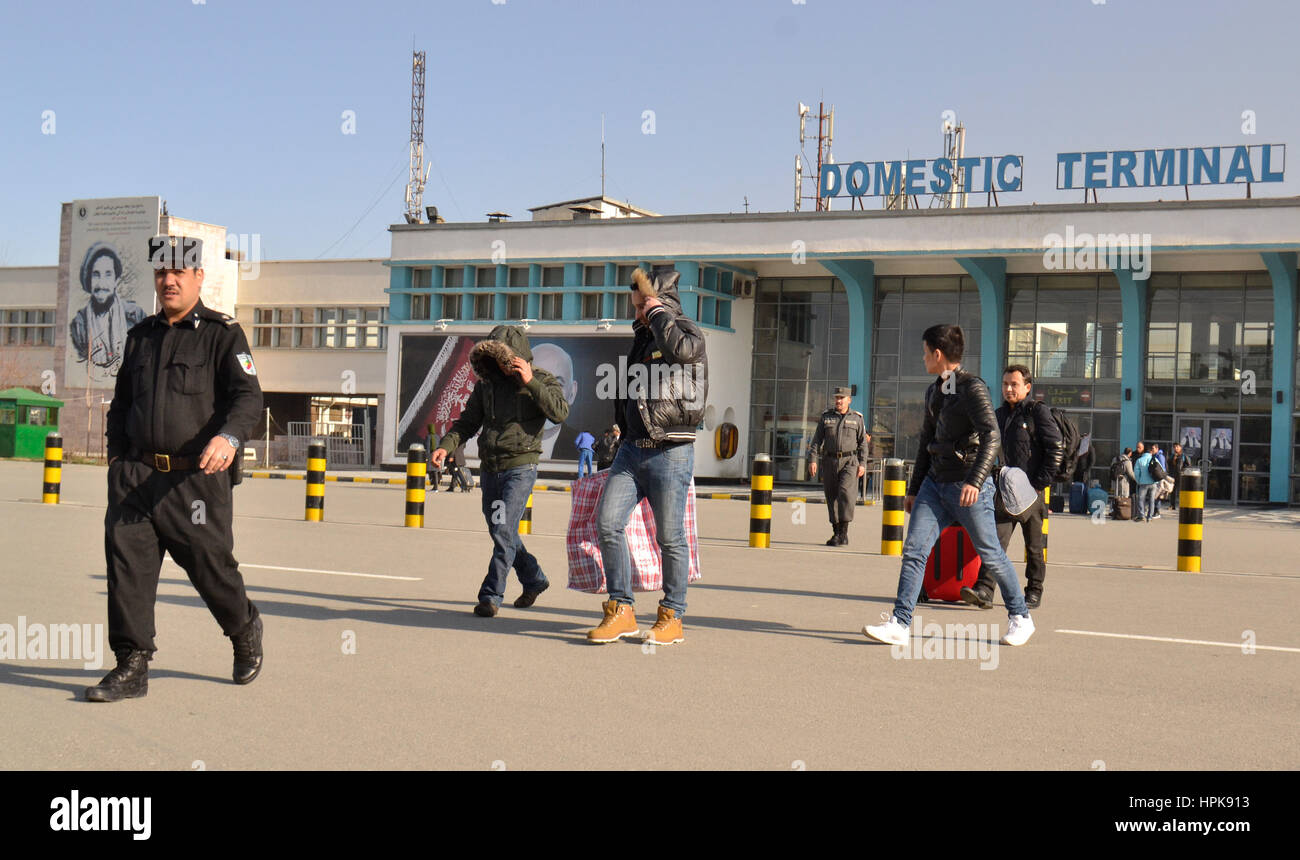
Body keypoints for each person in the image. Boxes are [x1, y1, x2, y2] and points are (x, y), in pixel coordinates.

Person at [86, 235, 263, 702]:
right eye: (161, 273)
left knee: (211, 568)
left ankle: (243, 627)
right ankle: (131, 665)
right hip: (136, 477)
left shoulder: (223, 335)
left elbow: (249, 398)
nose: (168, 281)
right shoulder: (139, 336)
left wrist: (229, 438)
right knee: (128, 571)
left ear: (198, 278)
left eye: (178, 273)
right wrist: (116, 458)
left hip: (195, 481)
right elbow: (122, 404)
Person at [864, 324, 1034, 647]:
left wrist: (975, 479)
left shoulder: (972, 388)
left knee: (990, 552)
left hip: (967, 485)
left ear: (938, 354)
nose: (923, 358)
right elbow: (926, 440)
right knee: (914, 550)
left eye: (925, 352)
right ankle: (900, 624)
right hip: (934, 484)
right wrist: (914, 489)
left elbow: (991, 436)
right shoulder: (935, 390)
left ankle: (1021, 616)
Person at [588, 265, 707, 646]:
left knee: (670, 538)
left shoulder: (686, 331)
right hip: (631, 451)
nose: (637, 313)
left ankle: (672, 615)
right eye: (637, 306)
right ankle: (622, 609)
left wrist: (659, 313)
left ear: (661, 302)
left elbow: (683, 353)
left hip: (670, 450)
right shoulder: (641, 338)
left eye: (643, 306)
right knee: (607, 523)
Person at [432, 325, 569, 616]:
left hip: (521, 466)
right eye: (493, 359)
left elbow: (559, 412)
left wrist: (530, 382)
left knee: (504, 529)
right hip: (491, 467)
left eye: (504, 359)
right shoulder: (486, 386)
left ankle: (491, 596)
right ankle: (534, 579)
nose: (500, 366)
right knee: (500, 530)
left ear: (518, 357)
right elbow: (467, 422)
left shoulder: (541, 379)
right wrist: (445, 446)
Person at [961, 364, 1062, 611]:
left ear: (1027, 387)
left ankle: (1034, 590)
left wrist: (1038, 484)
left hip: (1032, 494)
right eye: (1006, 384)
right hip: (1003, 492)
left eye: (1014, 384)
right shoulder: (997, 415)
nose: (1008, 389)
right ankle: (984, 589)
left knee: (1034, 547)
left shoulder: (1038, 413)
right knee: (995, 542)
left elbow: (1055, 448)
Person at [69, 243, 148, 372]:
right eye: (96, 274)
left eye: (108, 274)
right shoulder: (79, 325)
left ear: (116, 279)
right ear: (89, 280)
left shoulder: (136, 317)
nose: (101, 283)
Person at [807, 386, 868, 546]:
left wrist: (862, 463)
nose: (838, 401)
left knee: (845, 493)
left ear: (849, 400)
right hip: (829, 461)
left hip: (850, 461)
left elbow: (863, 444)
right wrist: (813, 459)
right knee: (832, 495)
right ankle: (836, 533)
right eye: (837, 398)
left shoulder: (857, 418)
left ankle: (844, 532)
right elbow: (816, 440)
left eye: (842, 398)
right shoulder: (826, 417)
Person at [1133, 443, 1158, 522]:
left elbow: (1136, 473)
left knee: (1141, 499)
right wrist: (1157, 481)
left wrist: (1138, 481)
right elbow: (1160, 471)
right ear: (1150, 451)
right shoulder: (1154, 459)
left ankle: (1142, 515)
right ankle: (1150, 516)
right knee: (1151, 500)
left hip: (1143, 483)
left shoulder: (1139, 460)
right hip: (1153, 483)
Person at [1167, 443, 1189, 510]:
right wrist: (1173, 458)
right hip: (1173, 475)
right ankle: (1172, 505)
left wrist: (1183, 471)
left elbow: (1188, 465)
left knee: (1181, 491)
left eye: (1177, 447)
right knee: (1172, 491)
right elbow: (1168, 463)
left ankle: (1182, 505)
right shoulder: (1172, 456)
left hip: (1180, 475)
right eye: (1174, 447)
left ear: (1180, 448)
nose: (1176, 448)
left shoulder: (1183, 456)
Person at [1150, 442, 1168, 518]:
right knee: (1155, 495)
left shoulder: (1160, 456)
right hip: (1156, 478)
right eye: (1151, 448)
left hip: (1159, 478)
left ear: (1157, 449)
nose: (1152, 450)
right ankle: (1155, 511)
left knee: (1157, 495)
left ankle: (1157, 512)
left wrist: (1160, 477)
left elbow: (1162, 468)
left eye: (1153, 448)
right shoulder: (1155, 456)